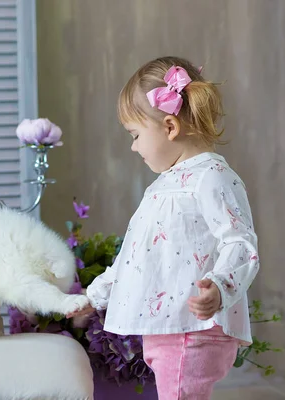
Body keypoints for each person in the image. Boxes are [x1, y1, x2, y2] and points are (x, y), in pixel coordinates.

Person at [68, 56, 260, 400]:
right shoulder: (163, 185)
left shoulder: (211, 177)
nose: (133, 146)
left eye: (136, 134)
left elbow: (240, 243)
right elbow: (135, 256)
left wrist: (219, 285)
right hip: (170, 328)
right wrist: (93, 298)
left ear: (170, 127)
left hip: (192, 327)